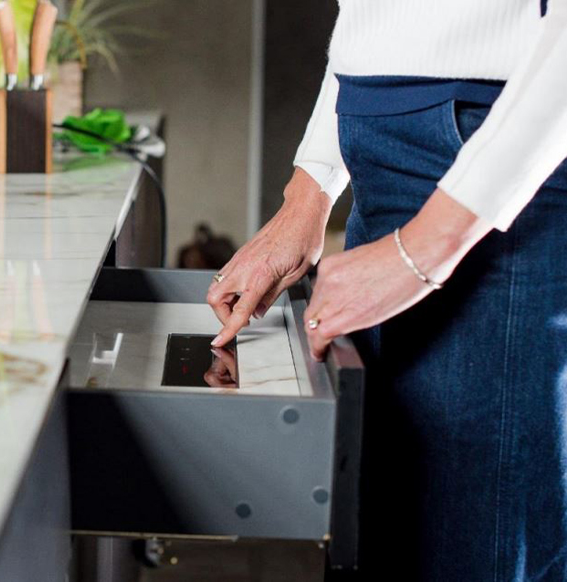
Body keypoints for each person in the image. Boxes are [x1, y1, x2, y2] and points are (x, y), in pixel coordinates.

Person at [207, 1, 567, 579]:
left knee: (473, 546)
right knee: (383, 526)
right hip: (378, 145)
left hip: (494, 160)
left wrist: (428, 246)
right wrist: (308, 193)